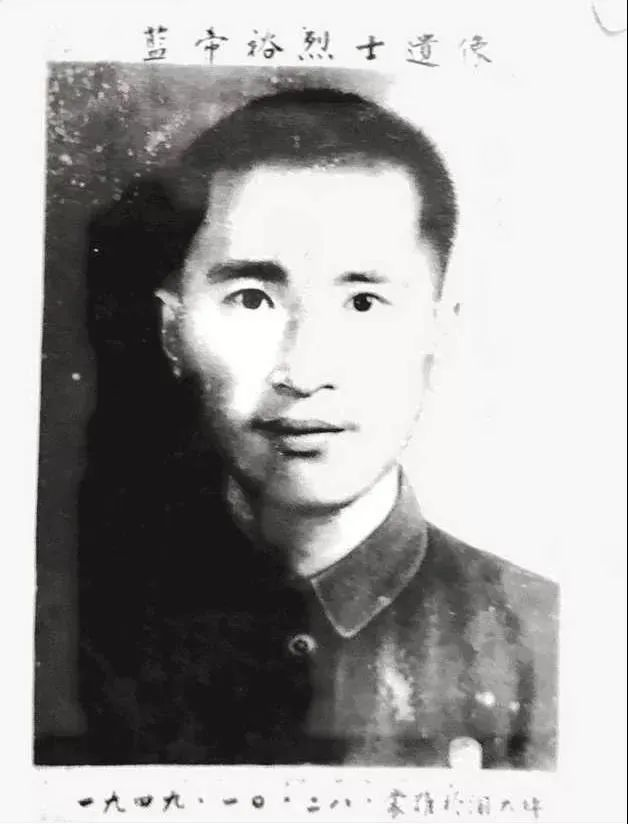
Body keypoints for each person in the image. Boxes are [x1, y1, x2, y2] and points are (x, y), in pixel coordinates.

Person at [76, 87, 558, 769]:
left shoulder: (552, 643)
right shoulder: (71, 630)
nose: (304, 370)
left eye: (363, 302)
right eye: (252, 298)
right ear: (172, 330)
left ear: (440, 327)